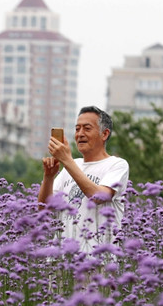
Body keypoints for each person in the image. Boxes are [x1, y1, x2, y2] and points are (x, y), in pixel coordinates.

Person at [38, 106, 129, 253]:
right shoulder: (72, 166)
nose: (80, 134)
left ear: (104, 134)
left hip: (97, 258)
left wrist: (67, 160)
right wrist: (48, 177)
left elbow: (99, 196)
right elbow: (44, 210)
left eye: (87, 129)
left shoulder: (117, 165)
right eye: (77, 129)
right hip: (62, 259)